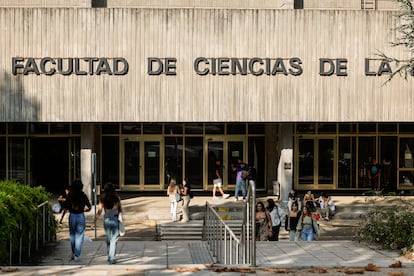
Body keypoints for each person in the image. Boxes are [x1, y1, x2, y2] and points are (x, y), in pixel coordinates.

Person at [91, 183, 122, 264]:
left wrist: (94, 222)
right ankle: (112, 257)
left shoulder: (102, 198)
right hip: (115, 219)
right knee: (114, 239)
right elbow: (120, 210)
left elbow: (99, 211)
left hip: (107, 219)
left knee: (109, 239)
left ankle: (109, 256)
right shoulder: (116, 198)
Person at [64, 179, 92, 262]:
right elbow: (89, 206)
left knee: (72, 234)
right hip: (80, 215)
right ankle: (77, 254)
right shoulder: (83, 195)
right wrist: (85, 210)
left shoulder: (70, 195)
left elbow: (66, 206)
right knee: (79, 235)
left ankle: (73, 252)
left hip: (72, 215)